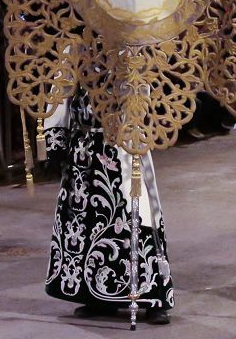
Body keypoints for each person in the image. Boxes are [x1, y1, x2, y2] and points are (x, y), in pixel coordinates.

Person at [44, 86, 173, 324]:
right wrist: (55, 139)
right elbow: (61, 88)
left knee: (139, 214)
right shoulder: (77, 49)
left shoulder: (132, 48)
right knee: (87, 222)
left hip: (125, 143)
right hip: (83, 149)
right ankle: (99, 298)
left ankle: (153, 298)